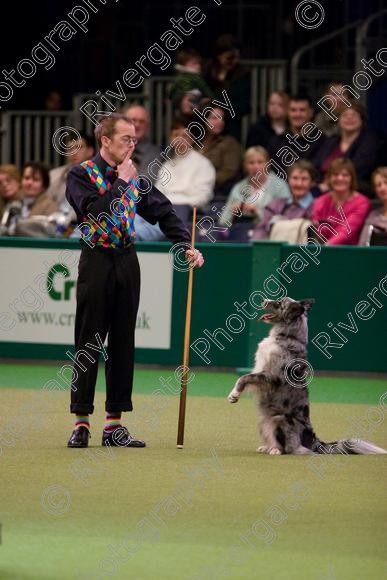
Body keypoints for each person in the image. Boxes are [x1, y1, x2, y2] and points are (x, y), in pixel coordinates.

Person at [65, 113, 204, 449]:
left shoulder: (133, 177)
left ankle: (114, 426)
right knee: (88, 342)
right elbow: (98, 213)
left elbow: (163, 210)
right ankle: (81, 421)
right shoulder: (79, 174)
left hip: (127, 261)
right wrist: (123, 183)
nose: (133, 143)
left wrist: (183, 243)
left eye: (135, 138)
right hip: (96, 260)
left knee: (123, 343)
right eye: (126, 138)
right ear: (106, 141)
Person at [218, 146, 290, 241]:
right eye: (251, 163)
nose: (256, 166)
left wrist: (257, 211)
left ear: (267, 164)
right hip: (241, 235)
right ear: (245, 166)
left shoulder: (279, 186)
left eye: (260, 162)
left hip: (270, 237)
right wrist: (234, 212)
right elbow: (223, 221)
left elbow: (285, 219)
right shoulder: (239, 187)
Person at [313, 103, 381, 196]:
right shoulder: (330, 142)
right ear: (338, 120)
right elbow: (316, 166)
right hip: (324, 191)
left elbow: (358, 170)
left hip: (356, 192)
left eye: (354, 115)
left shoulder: (370, 142)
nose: (349, 118)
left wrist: (329, 184)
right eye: (345, 115)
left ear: (362, 119)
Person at [155, 116, 216, 209]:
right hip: (165, 210)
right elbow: (158, 194)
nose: (180, 140)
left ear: (192, 139)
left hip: (190, 212)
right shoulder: (166, 166)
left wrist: (178, 204)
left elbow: (204, 196)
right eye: (176, 135)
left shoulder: (203, 164)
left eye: (184, 136)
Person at [312, 158, 371, 245]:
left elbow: (346, 231)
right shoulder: (320, 201)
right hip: (321, 250)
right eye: (335, 174)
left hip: (349, 252)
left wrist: (325, 248)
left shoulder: (362, 202)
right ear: (329, 178)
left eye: (345, 175)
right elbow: (315, 229)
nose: (340, 178)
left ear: (352, 178)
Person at [252, 160, 316, 240]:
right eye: (295, 178)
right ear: (288, 180)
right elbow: (260, 230)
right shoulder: (275, 205)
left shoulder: (318, 207)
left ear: (312, 182)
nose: (299, 183)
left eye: (304, 179)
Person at [204, 34, 251, 140]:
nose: (233, 61)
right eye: (229, 58)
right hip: (206, 125)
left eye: (237, 57)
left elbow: (244, 107)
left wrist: (216, 102)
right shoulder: (208, 71)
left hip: (230, 127)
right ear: (219, 55)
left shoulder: (242, 74)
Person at [268, 94, 324, 173]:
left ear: (311, 113)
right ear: (288, 113)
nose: (297, 114)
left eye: (302, 110)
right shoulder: (276, 142)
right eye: (293, 110)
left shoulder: (322, 141)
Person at [199, 106, 242, 199]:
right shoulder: (195, 143)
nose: (220, 122)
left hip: (219, 192)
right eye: (214, 118)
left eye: (222, 118)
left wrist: (205, 181)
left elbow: (229, 171)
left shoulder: (229, 143)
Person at [46, 133, 95, 205]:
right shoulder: (54, 174)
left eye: (78, 147)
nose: (73, 152)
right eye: (70, 148)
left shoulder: (98, 174)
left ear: (90, 151)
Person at [169, 48, 214, 116]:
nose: (198, 66)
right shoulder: (185, 78)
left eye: (199, 63)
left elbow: (205, 90)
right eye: (194, 63)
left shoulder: (196, 78)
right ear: (184, 65)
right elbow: (173, 93)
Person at [123, 104, 160, 183]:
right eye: (133, 120)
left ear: (147, 126)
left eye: (142, 121)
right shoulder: (113, 147)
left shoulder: (154, 154)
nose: (137, 125)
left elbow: (145, 183)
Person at [358, 167, 387, 245]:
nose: (382, 188)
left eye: (386, 183)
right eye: (378, 185)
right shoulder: (373, 216)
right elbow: (363, 246)